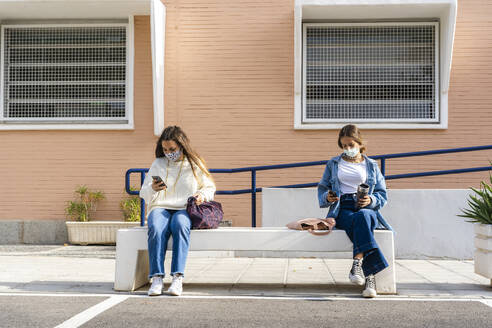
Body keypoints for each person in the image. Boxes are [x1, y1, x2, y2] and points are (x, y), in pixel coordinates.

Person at [140, 126, 216, 296]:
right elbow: (143, 193)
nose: (169, 153)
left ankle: (177, 277)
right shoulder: (158, 163)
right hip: (160, 206)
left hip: (184, 208)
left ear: (182, 145)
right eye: (165, 149)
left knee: (181, 226)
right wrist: (152, 188)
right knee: (156, 228)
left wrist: (201, 195)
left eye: (172, 149)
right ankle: (157, 277)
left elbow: (210, 187)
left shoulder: (195, 163)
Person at [317, 124, 392, 298]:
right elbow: (322, 187)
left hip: (366, 207)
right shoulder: (333, 164)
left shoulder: (372, 165)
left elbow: (382, 193)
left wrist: (371, 200)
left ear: (359, 143)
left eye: (351, 145)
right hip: (342, 208)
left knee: (364, 216)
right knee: (360, 221)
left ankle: (357, 264)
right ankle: (370, 277)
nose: (348, 149)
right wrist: (327, 197)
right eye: (344, 146)